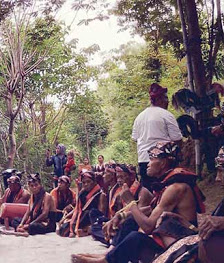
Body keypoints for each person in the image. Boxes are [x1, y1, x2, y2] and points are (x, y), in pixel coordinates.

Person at [72, 141, 205, 263]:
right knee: (129, 220)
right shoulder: (166, 185)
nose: (148, 163)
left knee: (135, 237)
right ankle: (109, 253)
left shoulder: (175, 188)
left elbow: (148, 227)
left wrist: (131, 203)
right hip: (167, 237)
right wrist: (122, 215)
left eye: (152, 159)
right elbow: (152, 209)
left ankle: (107, 260)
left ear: (163, 163)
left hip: (179, 244)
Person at [132, 83, 183, 192]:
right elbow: (177, 139)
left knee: (148, 196)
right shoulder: (166, 115)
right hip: (162, 163)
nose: (168, 101)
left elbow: (135, 138)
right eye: (166, 98)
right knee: (167, 195)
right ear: (159, 99)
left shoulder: (139, 117)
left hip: (143, 162)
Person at [59, 171, 106, 238]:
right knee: (63, 229)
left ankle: (86, 230)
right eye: (84, 182)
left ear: (94, 182)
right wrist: (65, 218)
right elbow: (77, 209)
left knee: (66, 229)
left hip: (91, 220)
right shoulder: (83, 193)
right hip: (82, 217)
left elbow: (101, 215)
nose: (86, 184)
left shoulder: (101, 194)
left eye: (88, 182)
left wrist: (89, 227)